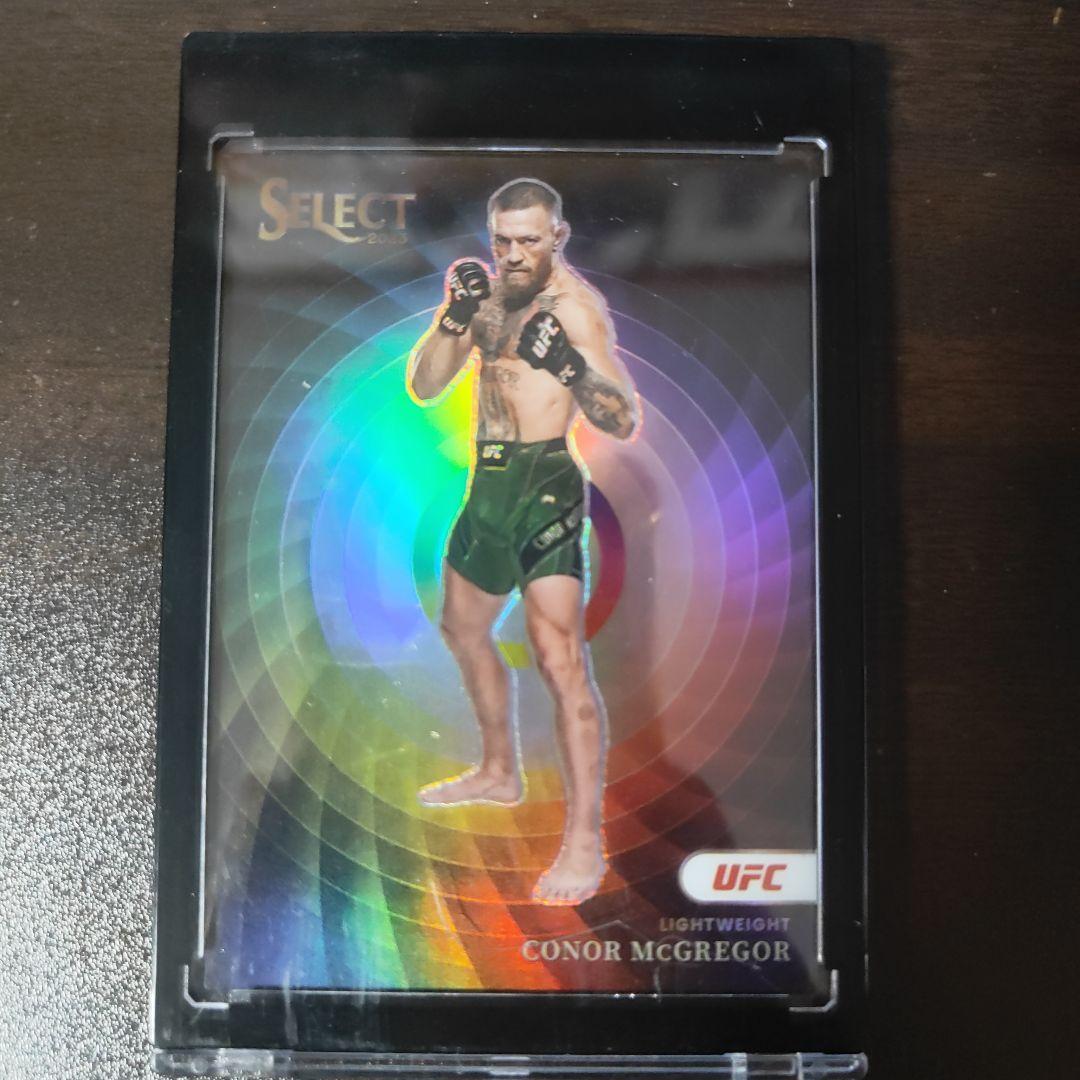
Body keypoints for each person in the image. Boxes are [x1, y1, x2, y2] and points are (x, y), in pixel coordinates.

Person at [407, 178, 639, 905]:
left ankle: (584, 843)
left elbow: (622, 419)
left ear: (557, 237)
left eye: (528, 241)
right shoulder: (488, 300)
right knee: (462, 628)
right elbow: (424, 386)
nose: (512, 255)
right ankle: (499, 772)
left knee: (559, 657)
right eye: (502, 240)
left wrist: (569, 366)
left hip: (545, 486)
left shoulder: (576, 310)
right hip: (488, 483)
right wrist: (454, 317)